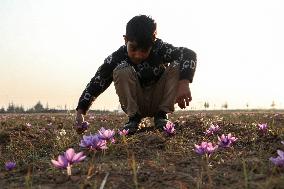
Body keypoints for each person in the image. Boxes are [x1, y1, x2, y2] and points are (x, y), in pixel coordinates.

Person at [75, 15, 197, 134]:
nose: (138, 55)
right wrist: (81, 112)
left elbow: (188, 54)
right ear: (125, 40)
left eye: (144, 50)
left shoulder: (159, 48)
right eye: (133, 48)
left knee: (176, 65)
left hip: (159, 100)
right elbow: (97, 82)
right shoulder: (117, 57)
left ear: (153, 42)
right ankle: (134, 118)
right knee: (120, 69)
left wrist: (184, 83)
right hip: (136, 102)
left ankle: (161, 115)